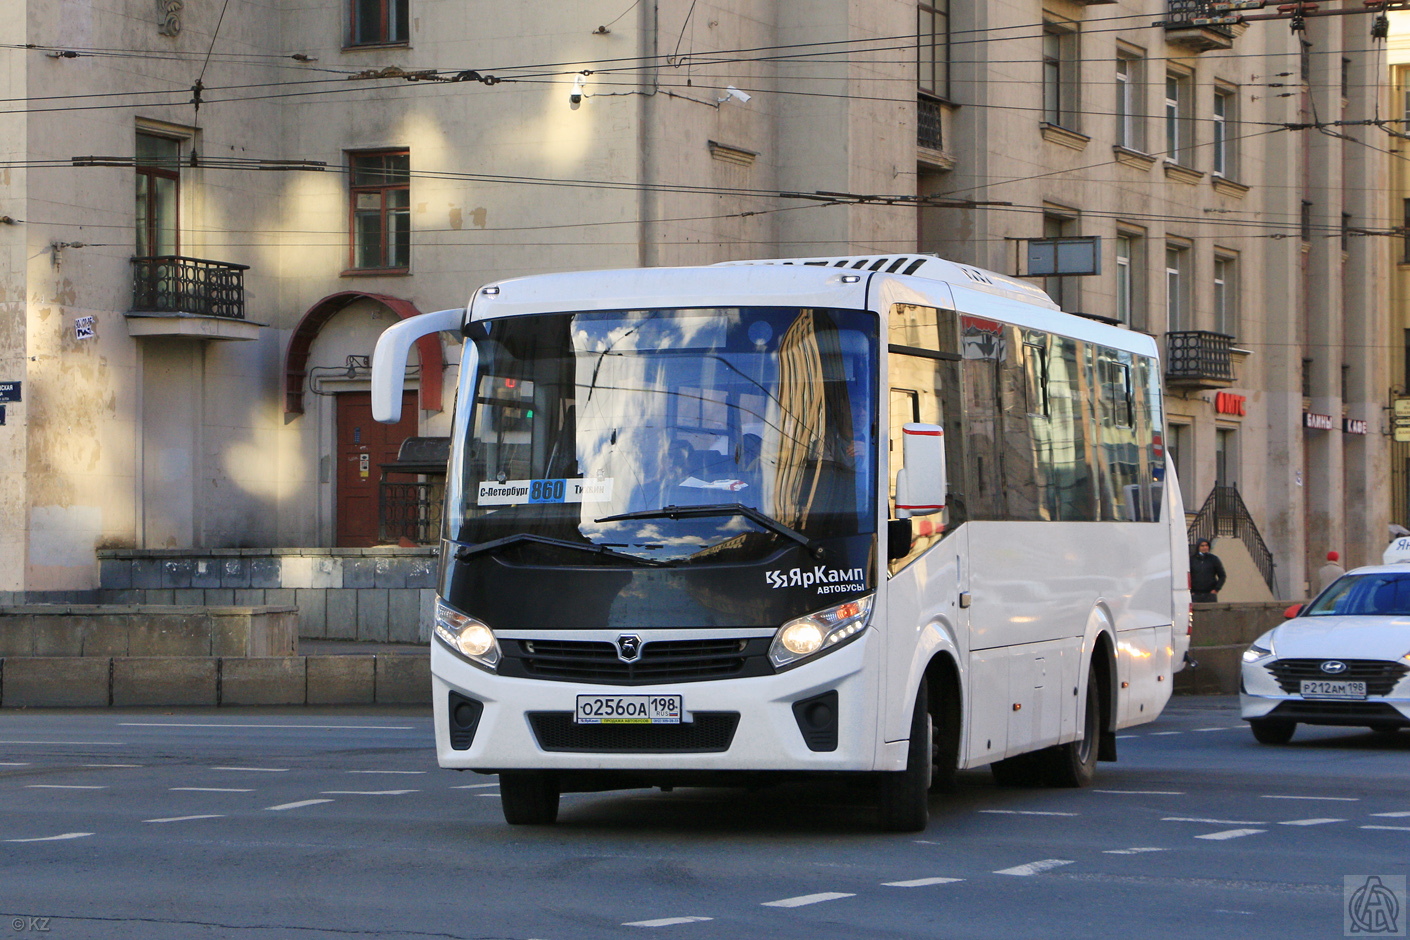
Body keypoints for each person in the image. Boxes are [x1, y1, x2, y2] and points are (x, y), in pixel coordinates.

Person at [1190, 538, 1226, 603]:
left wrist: (1216, 589)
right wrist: (1191, 591)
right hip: (1196, 594)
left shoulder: (1213, 559)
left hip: (1210, 594)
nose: (1205, 547)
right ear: (1198, 547)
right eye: (1202, 546)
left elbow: (1222, 576)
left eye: (1206, 545)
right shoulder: (1192, 560)